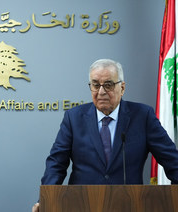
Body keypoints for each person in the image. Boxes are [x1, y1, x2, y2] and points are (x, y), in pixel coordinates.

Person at [32, 59, 178, 212]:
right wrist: (45, 200)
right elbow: (56, 164)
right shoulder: (74, 118)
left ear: (122, 88)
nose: (101, 92)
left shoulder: (143, 116)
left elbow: (172, 161)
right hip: (81, 205)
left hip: (129, 205)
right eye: (95, 85)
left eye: (108, 85)